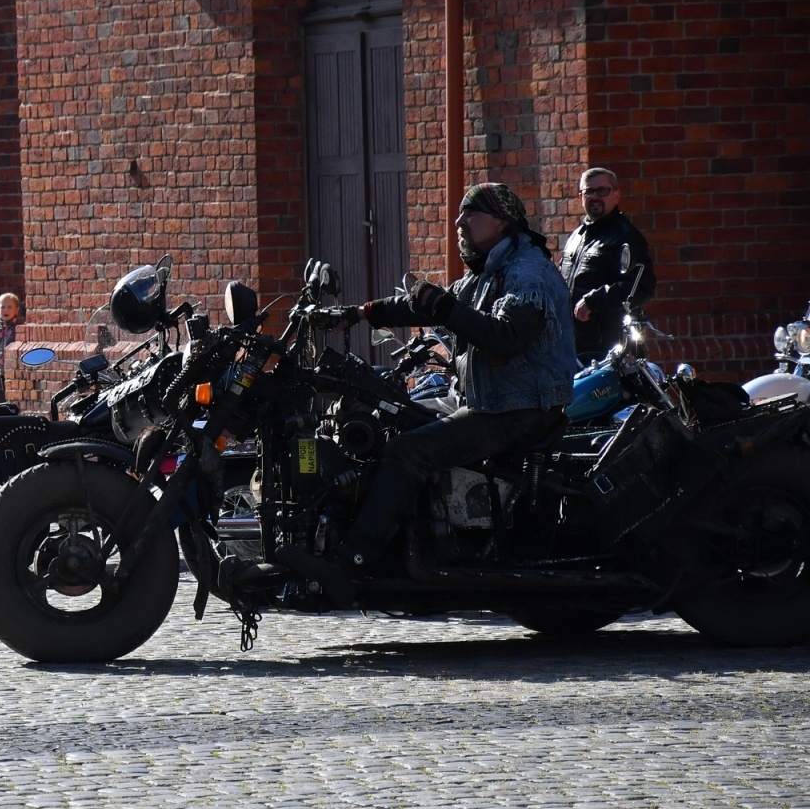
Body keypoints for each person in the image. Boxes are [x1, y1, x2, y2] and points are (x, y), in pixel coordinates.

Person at [266, 183, 577, 605]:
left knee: (407, 452)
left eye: (472, 214)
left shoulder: (527, 271)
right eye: (461, 214)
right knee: (390, 422)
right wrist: (359, 313)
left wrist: (443, 307)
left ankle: (350, 564)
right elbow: (427, 305)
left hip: (519, 408)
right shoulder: (489, 269)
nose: (459, 222)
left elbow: (506, 337)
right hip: (485, 399)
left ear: (502, 221)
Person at [558, 167, 656, 363]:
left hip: (611, 351)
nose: (595, 197)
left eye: (602, 191)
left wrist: (594, 300)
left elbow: (641, 287)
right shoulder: (576, 237)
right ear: (580, 197)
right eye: (589, 192)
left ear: (616, 195)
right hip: (574, 348)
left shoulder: (625, 236)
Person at [0, 292, 21, 375]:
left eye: (10, 307)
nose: (6, 310)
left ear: (16, 310)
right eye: (2, 307)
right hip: (2, 370)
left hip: (17, 368)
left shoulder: (19, 328)